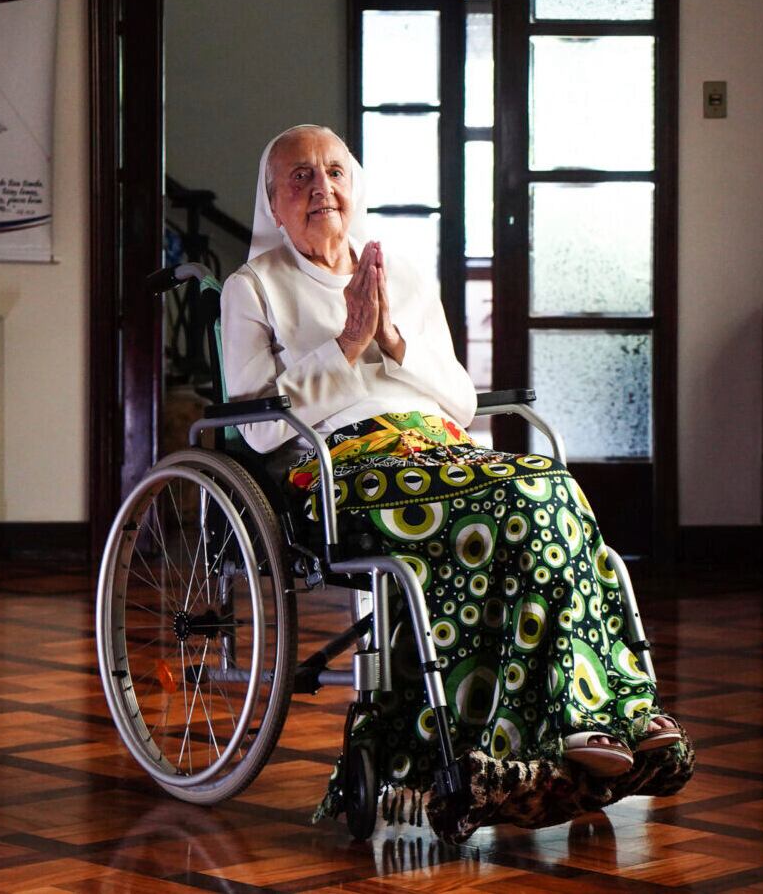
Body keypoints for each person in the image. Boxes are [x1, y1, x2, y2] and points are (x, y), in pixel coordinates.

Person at [220, 124, 689, 838]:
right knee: (517, 495)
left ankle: (605, 711)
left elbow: (460, 401)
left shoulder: (401, 274)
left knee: (545, 485)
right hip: (341, 469)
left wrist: (392, 341)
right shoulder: (252, 287)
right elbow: (257, 426)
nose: (322, 188)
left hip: (437, 451)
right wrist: (346, 342)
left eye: (335, 172)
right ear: (273, 204)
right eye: (300, 178)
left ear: (357, 185)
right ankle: (537, 730)